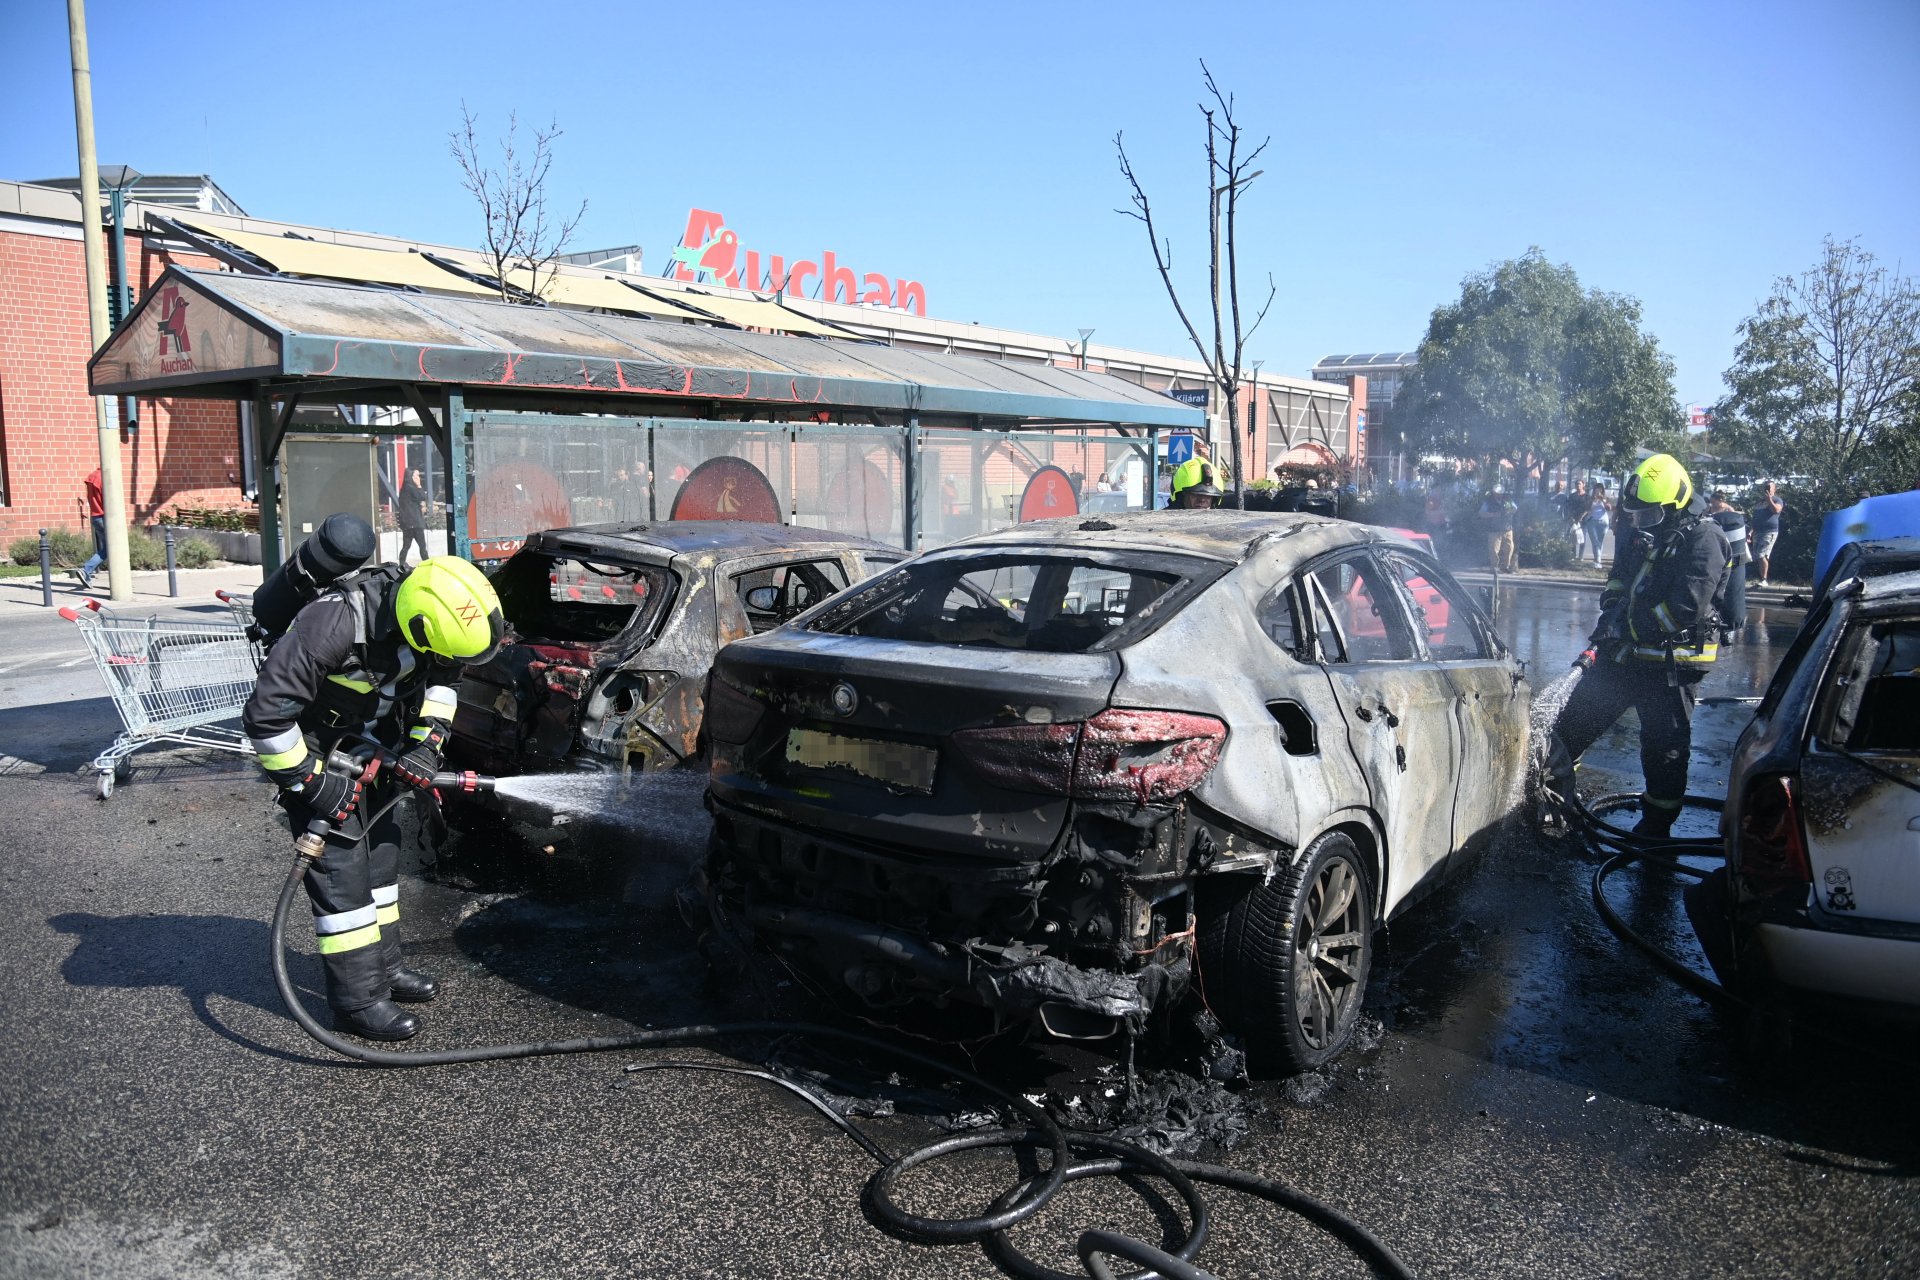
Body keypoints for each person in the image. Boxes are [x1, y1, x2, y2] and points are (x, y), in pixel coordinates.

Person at [241, 555, 505, 1041]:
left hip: (375, 750)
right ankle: (357, 1005)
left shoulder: (427, 625)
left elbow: (444, 682)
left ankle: (385, 969)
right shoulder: (332, 623)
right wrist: (311, 783)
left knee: (382, 863)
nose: (447, 662)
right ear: (417, 624)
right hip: (318, 757)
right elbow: (266, 717)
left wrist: (427, 745)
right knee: (344, 879)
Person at [1548, 454, 1731, 838]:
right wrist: (1612, 609)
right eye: (1638, 515)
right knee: (1574, 723)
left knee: (1664, 750)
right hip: (1624, 656)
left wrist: (1628, 627)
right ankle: (1554, 796)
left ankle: (1655, 827)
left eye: (1650, 515)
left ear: (1676, 502)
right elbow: (1620, 577)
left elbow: (1685, 607)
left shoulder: (1705, 539)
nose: (1642, 522)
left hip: (1671, 665)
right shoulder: (1645, 527)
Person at [1705, 490, 1749, 643]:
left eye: (1713, 501)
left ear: (1719, 500)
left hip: (1727, 554)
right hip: (1724, 554)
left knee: (1722, 589)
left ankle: (1724, 627)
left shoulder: (1729, 511)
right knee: (1721, 590)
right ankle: (1723, 627)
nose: (1711, 504)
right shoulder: (1709, 511)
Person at [1749, 481, 1784, 586]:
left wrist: (1769, 500)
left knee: (1761, 554)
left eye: (1770, 487)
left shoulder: (1777, 500)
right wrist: (1750, 532)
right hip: (1758, 532)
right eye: (1766, 487)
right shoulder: (1759, 503)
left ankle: (1764, 580)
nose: (1767, 489)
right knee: (1757, 556)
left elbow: (1776, 510)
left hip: (1769, 531)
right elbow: (1755, 519)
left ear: (1774, 489)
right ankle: (1761, 579)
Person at [78, 468, 107, 590]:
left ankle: (86, 571)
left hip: (95, 516)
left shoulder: (92, 476)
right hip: (105, 516)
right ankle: (86, 569)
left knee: (107, 549)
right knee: (113, 549)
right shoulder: (105, 477)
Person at [1478, 485, 1518, 573]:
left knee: (1509, 548)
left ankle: (1505, 566)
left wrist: (1508, 512)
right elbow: (1481, 513)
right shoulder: (1488, 502)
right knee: (1494, 550)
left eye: (1500, 493)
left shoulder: (1507, 500)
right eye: (1497, 493)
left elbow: (1515, 508)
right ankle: (1494, 567)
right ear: (1494, 493)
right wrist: (1493, 515)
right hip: (1494, 529)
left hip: (1507, 528)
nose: (1499, 495)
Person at [395, 468, 430, 563]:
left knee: (406, 546)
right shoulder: (410, 488)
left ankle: (401, 563)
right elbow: (422, 497)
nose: (418, 478)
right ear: (410, 477)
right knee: (422, 546)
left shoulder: (404, 489)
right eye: (415, 476)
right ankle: (427, 563)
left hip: (408, 524)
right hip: (415, 523)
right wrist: (419, 485)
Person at [1581, 483, 1611, 568]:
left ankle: (1597, 560)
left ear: (1602, 490)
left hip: (1603, 522)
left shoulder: (1605, 498)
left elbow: (1609, 508)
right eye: (1596, 489)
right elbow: (1587, 509)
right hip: (1592, 521)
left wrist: (1603, 500)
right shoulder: (1590, 498)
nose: (1598, 491)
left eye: (1600, 489)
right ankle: (1598, 560)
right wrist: (1592, 500)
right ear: (1594, 490)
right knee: (1595, 541)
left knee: (1599, 542)